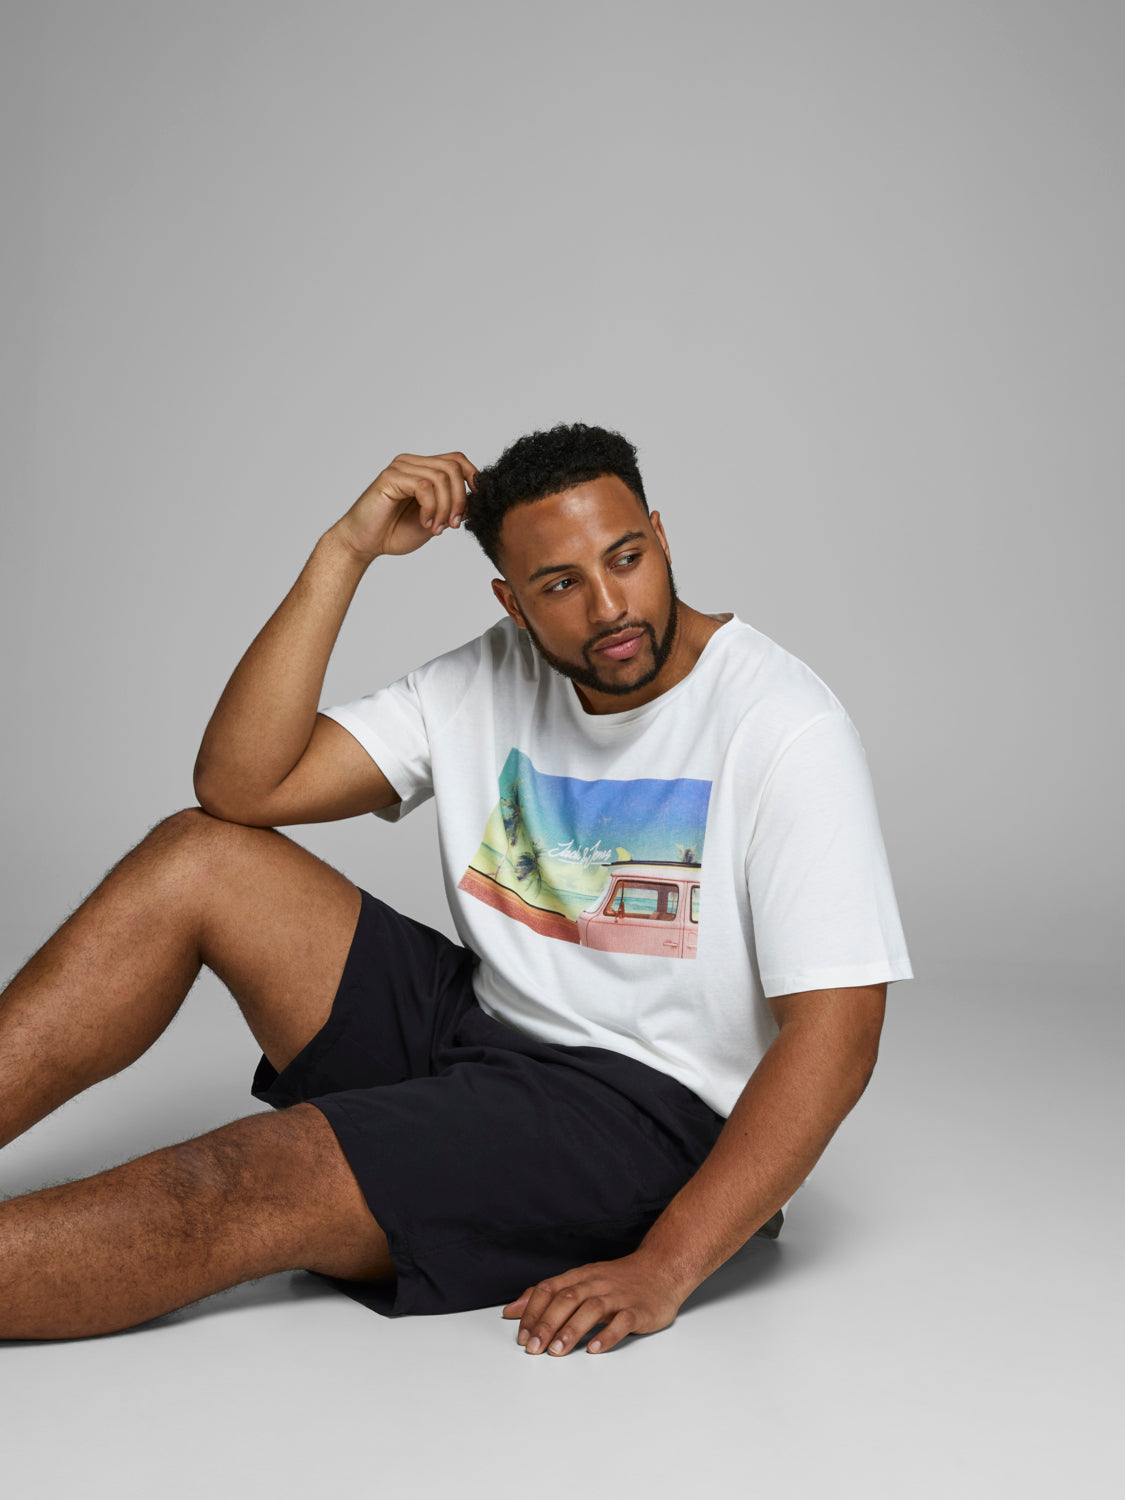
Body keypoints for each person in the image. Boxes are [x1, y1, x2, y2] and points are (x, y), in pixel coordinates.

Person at [0, 422, 912, 1355]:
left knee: (244, 1178)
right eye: (559, 584)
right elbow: (241, 787)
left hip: (641, 1115)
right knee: (197, 857)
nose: (609, 608)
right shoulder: (489, 673)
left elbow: (836, 1037)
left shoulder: (784, 726)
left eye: (625, 558)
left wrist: (668, 1263)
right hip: (475, 1032)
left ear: (661, 538)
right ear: (511, 601)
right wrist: (344, 551)